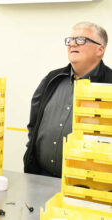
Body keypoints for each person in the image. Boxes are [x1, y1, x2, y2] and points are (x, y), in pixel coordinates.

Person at [24, 21, 112, 178]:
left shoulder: (109, 84)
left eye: (80, 40)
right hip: (42, 176)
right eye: (70, 40)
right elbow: (34, 124)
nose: (72, 44)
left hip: (89, 185)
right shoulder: (53, 79)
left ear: (100, 49)